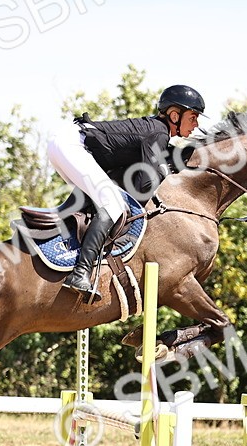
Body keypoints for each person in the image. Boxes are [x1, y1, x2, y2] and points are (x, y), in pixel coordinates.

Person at [47, 84, 206, 300]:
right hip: (71, 145)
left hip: (65, 143)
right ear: (175, 115)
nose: (195, 125)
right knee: (112, 203)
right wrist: (166, 168)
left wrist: (171, 158)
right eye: (193, 117)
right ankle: (80, 272)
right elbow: (141, 189)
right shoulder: (158, 132)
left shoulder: (157, 132)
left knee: (98, 200)